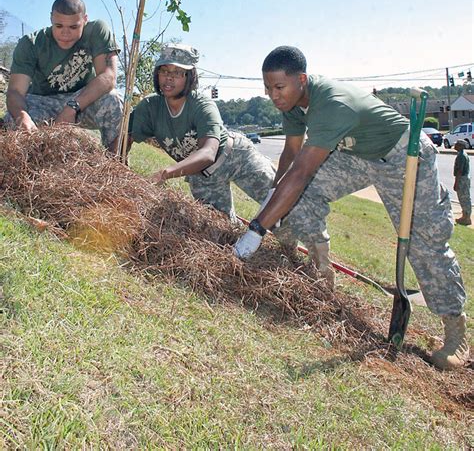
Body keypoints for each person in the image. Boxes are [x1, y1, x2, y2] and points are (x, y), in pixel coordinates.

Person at [234, 46, 469, 371]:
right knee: (300, 197)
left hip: (403, 154)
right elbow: (290, 154)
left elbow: (301, 172)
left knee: (423, 242)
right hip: (359, 156)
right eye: (268, 88)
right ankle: (320, 276)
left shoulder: (329, 103)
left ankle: (455, 330)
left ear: (301, 79)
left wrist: (258, 228)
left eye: (279, 87)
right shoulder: (291, 103)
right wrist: (272, 196)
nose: (273, 95)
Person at [128, 43, 277, 222]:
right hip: (202, 177)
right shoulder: (150, 107)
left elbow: (208, 153)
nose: (169, 78)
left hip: (235, 157)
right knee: (218, 233)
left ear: (190, 77)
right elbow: (124, 136)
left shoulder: (202, 104)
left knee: (280, 206)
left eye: (177, 73)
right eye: (164, 71)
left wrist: (165, 173)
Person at [6, 0, 122, 152]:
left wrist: (71, 108)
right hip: (43, 101)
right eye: (59, 26)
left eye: (74, 27)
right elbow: (15, 91)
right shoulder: (31, 43)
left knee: (113, 99)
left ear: (85, 19)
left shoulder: (97, 30)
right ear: (51, 19)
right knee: (13, 122)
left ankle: (115, 164)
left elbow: (108, 77)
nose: (65, 34)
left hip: (82, 101)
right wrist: (22, 118)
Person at [453, 140, 471, 226]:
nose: (455, 145)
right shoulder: (463, 154)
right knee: (465, 197)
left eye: (456, 144)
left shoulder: (461, 156)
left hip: (462, 179)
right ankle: (465, 215)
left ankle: (466, 217)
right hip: (465, 178)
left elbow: (459, 171)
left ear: (460, 146)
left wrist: (456, 183)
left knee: (464, 198)